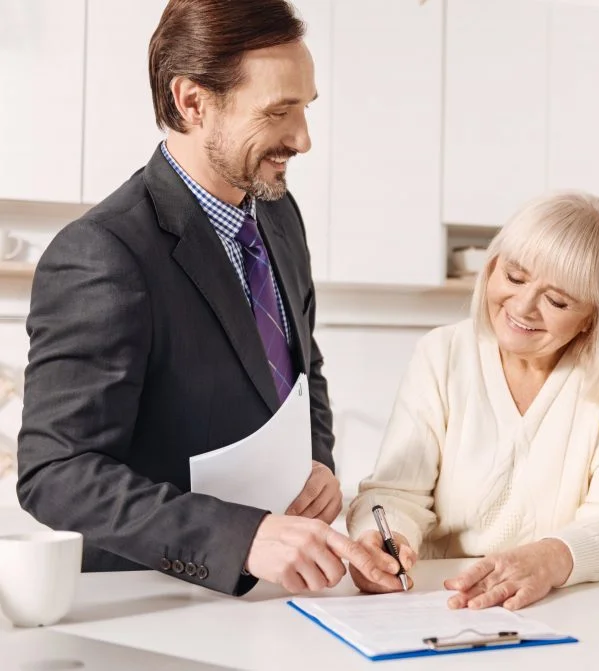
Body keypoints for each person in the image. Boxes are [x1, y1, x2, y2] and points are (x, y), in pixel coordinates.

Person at [17, 0, 398, 596]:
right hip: (154, 598)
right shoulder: (102, 253)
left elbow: (303, 367)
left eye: (305, 108)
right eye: (278, 111)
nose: (302, 138)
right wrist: (241, 538)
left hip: (275, 597)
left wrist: (317, 461)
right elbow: (57, 473)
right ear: (192, 102)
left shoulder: (278, 214)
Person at [345, 191, 599, 610]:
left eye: (558, 301)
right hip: (442, 602)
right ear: (492, 267)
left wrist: (550, 559)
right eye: (514, 277)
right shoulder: (443, 353)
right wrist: (383, 540)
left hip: (567, 607)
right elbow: (396, 495)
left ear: (592, 317)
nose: (524, 307)